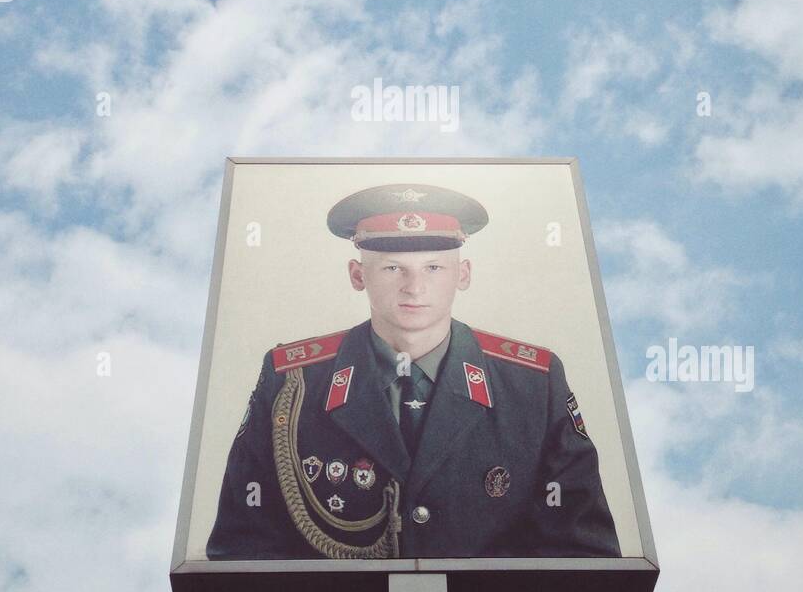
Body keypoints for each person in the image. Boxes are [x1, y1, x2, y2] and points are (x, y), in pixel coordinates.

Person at [207, 183, 620, 560]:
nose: (414, 287)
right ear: (357, 275)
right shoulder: (291, 380)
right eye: (392, 268)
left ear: (464, 274)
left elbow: (582, 554)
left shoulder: (532, 382)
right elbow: (242, 546)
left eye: (434, 268)